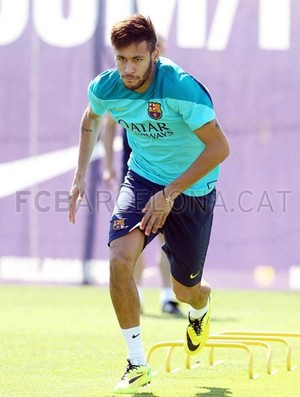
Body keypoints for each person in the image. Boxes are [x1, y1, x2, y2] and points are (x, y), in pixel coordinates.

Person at [68, 14, 230, 394]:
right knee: (119, 260)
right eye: (121, 59)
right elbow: (90, 120)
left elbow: (220, 147)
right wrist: (79, 175)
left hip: (192, 186)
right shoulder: (106, 87)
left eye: (137, 60)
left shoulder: (181, 88)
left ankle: (200, 303)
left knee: (183, 290)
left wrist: (170, 192)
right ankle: (136, 363)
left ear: (154, 55)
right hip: (141, 178)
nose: (128, 68)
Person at [100, 33, 183, 316]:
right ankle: (134, 297)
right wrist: (109, 164)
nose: (132, 64)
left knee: (166, 238)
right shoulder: (125, 84)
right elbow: (107, 122)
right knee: (131, 237)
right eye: (126, 57)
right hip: (134, 172)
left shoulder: (173, 84)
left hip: (168, 174)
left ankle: (168, 295)